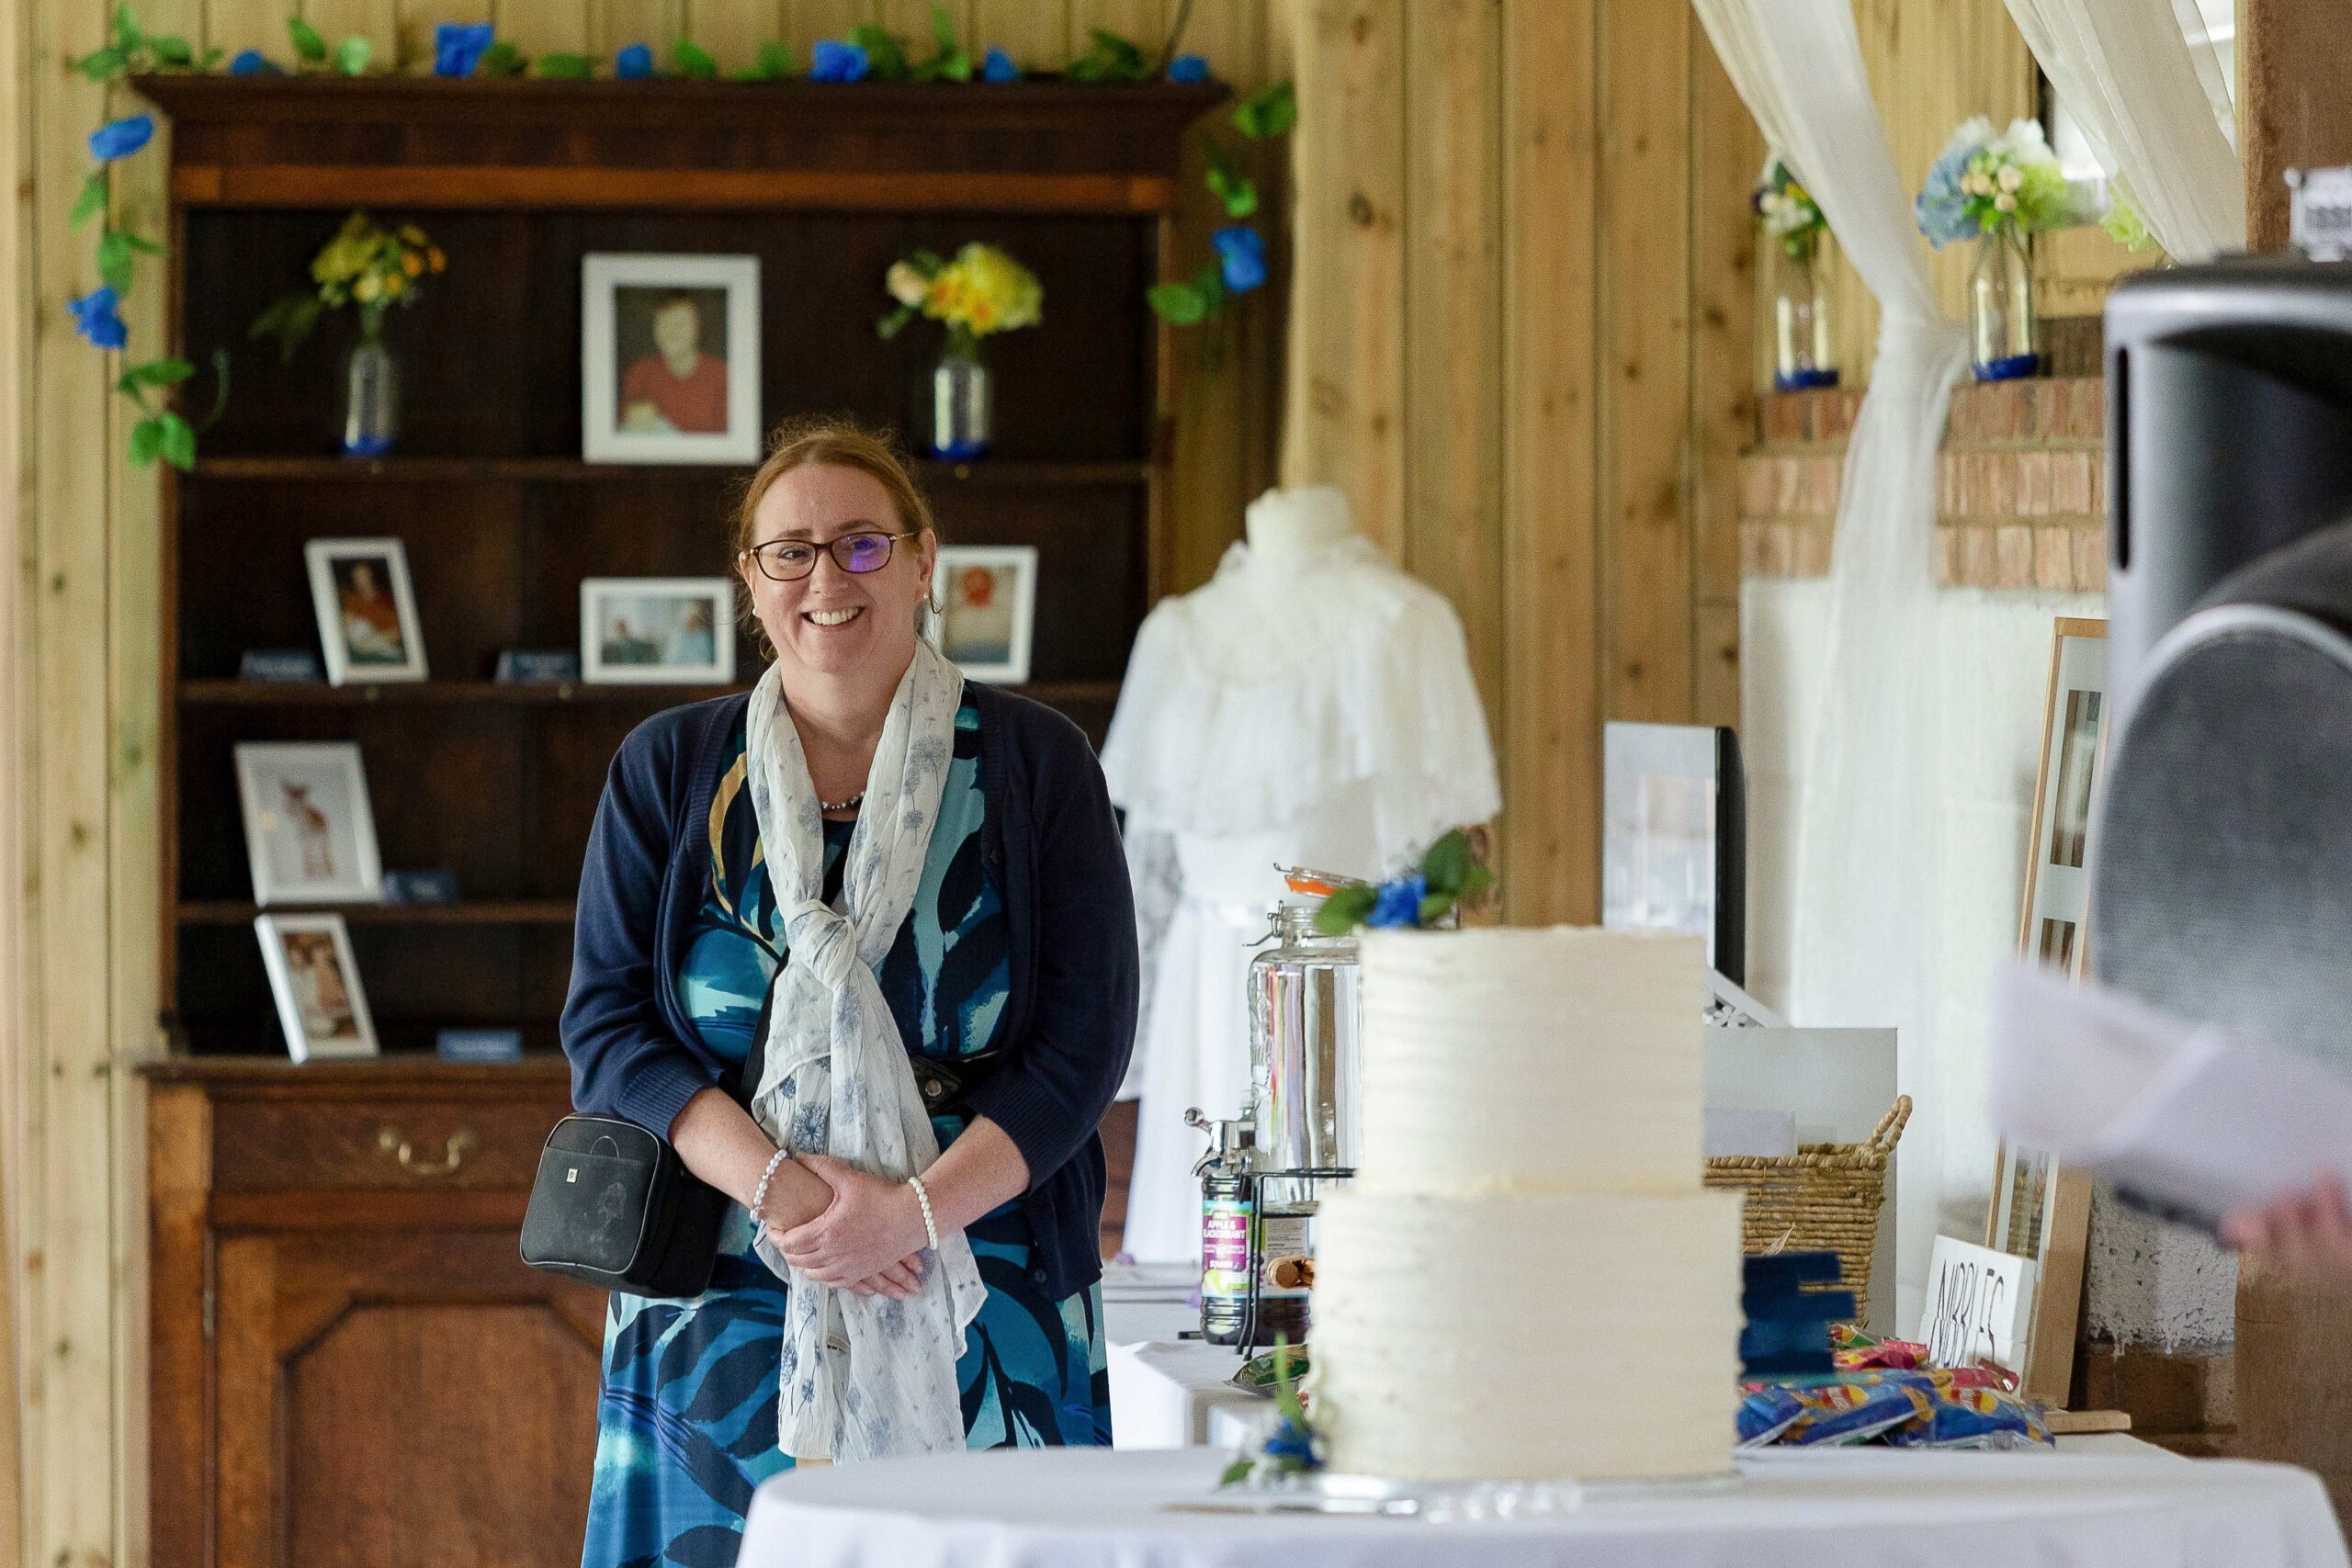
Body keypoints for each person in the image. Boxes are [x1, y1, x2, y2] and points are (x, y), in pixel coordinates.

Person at [563, 417, 1136, 1566]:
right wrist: (796, 1203)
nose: (827, 578)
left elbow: (1085, 1043)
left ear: (924, 563)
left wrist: (913, 1214)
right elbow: (609, 1031)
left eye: (863, 546)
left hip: (987, 1278)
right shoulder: (668, 768)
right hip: (721, 1288)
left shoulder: (1038, 764)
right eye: (792, 551)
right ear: (751, 581)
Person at [618, 292, 729, 435]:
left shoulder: (722, 374)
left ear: (698, 328)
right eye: (664, 322)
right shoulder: (640, 372)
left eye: (681, 323)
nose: (672, 330)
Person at [337, 559, 404, 665]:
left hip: (383, 642)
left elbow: (398, 629)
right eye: (356, 576)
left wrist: (378, 637)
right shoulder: (350, 598)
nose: (360, 579)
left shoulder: (387, 599)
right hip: (358, 644)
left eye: (363, 574)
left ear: (370, 574)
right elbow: (345, 621)